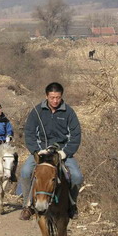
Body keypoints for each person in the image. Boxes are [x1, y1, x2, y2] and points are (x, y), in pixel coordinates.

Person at [19, 82, 83, 221]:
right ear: (46, 96)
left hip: (62, 151)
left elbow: (76, 135)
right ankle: (27, 206)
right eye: (52, 97)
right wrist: (37, 151)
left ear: (61, 97)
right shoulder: (37, 111)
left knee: (77, 177)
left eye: (58, 97)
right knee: (25, 172)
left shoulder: (69, 112)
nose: (55, 101)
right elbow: (29, 133)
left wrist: (65, 152)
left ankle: (72, 205)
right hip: (41, 151)